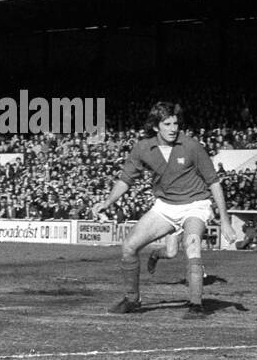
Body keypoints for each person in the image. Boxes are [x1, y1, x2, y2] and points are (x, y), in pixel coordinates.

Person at [91, 101, 237, 319]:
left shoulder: (191, 146)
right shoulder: (142, 148)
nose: (173, 128)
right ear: (156, 127)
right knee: (129, 246)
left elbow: (214, 182)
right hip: (165, 207)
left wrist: (225, 220)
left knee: (192, 244)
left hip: (195, 205)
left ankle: (196, 305)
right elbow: (125, 180)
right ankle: (132, 300)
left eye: (175, 123)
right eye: (167, 124)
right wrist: (107, 202)